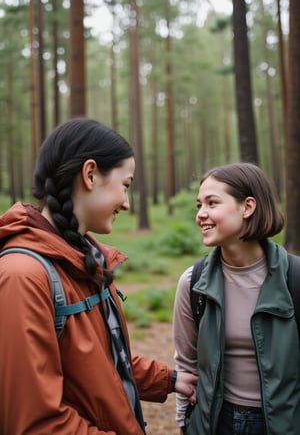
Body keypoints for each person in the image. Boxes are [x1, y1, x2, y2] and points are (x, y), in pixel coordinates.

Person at [0, 117, 197, 435]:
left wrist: (170, 380)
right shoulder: (23, 277)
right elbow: (35, 423)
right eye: (125, 185)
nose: (127, 203)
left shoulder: (85, 261)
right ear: (90, 174)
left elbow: (101, 362)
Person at [173, 162, 300, 435]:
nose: (201, 214)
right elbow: (186, 364)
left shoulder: (295, 279)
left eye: (212, 203)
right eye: (199, 205)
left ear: (248, 207)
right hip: (216, 423)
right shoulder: (193, 283)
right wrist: (184, 423)